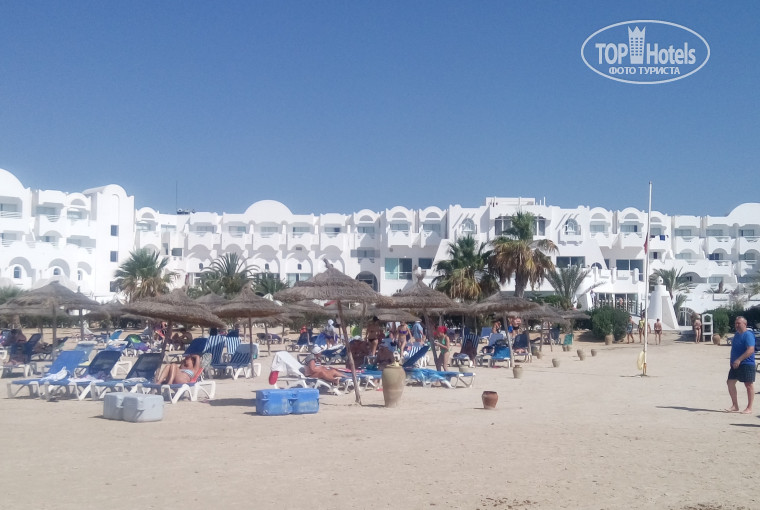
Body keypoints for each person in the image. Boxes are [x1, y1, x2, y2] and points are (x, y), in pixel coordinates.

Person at [725, 316, 755, 414]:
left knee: (748, 385)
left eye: (739, 323)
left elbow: (750, 350)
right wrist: (732, 360)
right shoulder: (737, 335)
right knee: (730, 382)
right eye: (736, 323)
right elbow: (734, 349)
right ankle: (735, 405)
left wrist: (739, 360)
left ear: (745, 324)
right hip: (735, 363)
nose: (737, 325)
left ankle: (749, 408)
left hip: (747, 363)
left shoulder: (748, 335)